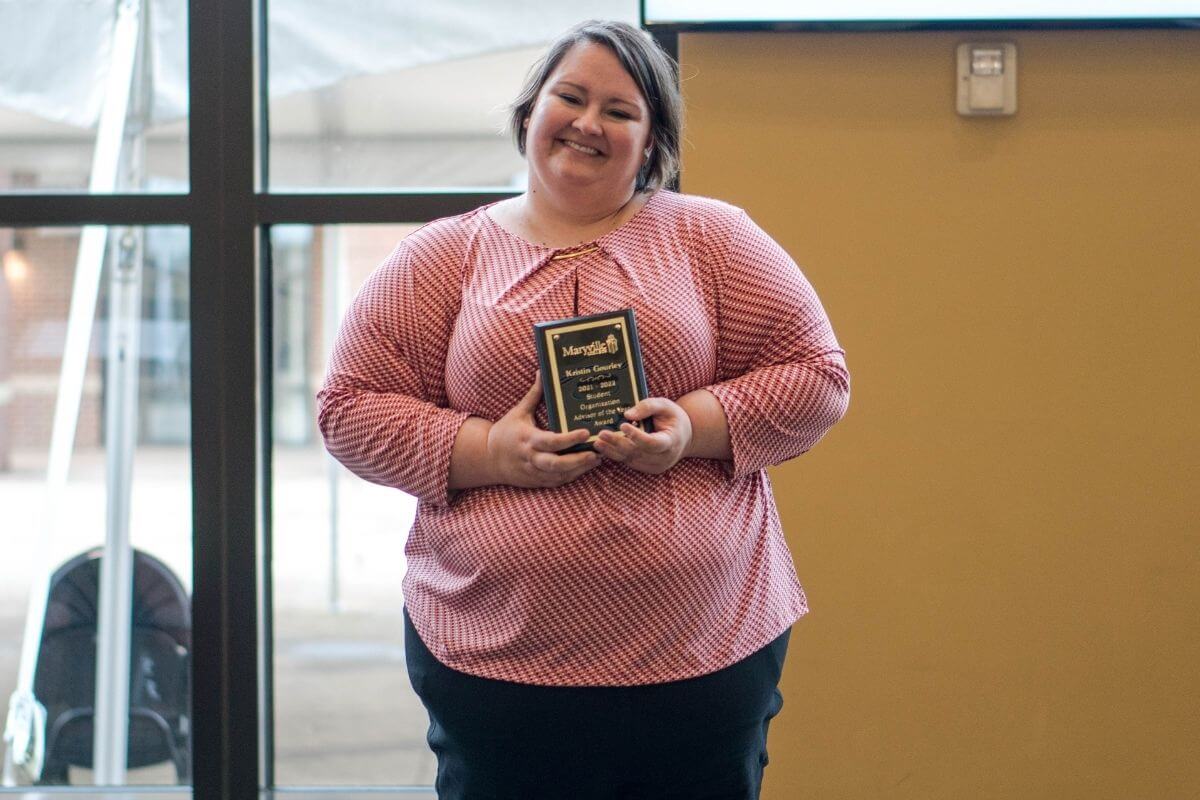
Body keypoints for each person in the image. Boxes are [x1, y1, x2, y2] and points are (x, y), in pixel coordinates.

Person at [317, 19, 849, 800]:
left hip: (704, 652)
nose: (588, 122)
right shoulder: (442, 255)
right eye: (570, 96)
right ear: (530, 111)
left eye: (620, 110)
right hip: (495, 659)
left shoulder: (713, 238)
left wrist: (691, 427)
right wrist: (489, 449)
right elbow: (348, 408)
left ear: (652, 140)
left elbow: (817, 375)